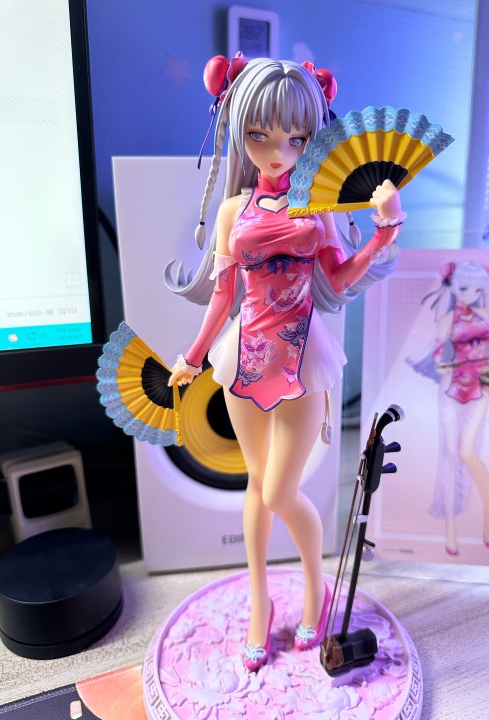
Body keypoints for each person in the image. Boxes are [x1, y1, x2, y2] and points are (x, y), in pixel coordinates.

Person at [167, 56, 404, 671]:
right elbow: (223, 295)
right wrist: (192, 357)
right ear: (240, 131)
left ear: (310, 138)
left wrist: (383, 232)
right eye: (261, 135)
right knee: (257, 485)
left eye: (296, 139)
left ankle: (314, 589)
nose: (278, 152)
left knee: (280, 489)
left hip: (302, 359)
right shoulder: (232, 212)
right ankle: (259, 603)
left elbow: (337, 277)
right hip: (244, 359)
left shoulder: (316, 209)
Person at [408, 260, 489, 556]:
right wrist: (442, 364)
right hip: (451, 389)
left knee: (467, 452)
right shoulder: (446, 319)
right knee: (449, 456)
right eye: (466, 288)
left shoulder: (484, 315)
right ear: (455, 286)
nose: (471, 294)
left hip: (479, 389)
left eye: (477, 289)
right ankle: (450, 527)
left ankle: (488, 516)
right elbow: (437, 355)